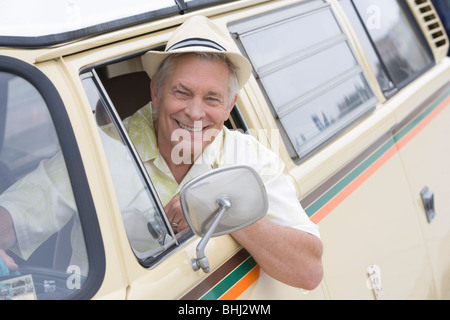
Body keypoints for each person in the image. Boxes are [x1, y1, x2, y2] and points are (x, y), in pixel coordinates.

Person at [0, 15, 323, 290]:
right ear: (156, 92)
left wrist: (221, 211)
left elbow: (309, 270)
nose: (195, 113)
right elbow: (17, 214)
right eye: (182, 92)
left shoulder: (251, 158)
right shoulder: (103, 146)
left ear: (229, 107)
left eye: (212, 99)